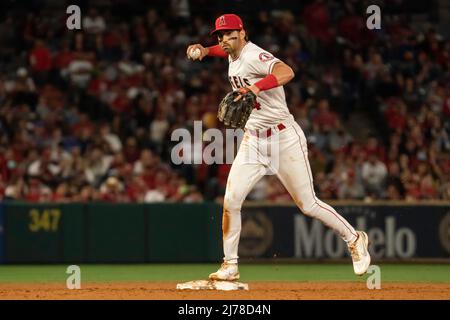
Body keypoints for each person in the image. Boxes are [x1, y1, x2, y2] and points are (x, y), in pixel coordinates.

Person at [186, 14, 370, 281]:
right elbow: (223, 50)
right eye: (220, 35)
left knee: (308, 204)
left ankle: (354, 238)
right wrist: (205, 50)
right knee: (231, 201)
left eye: (229, 33)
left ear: (243, 32)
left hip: (284, 139)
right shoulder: (232, 53)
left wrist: (256, 88)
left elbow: (286, 71)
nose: (224, 39)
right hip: (253, 140)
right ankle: (230, 265)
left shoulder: (254, 55)